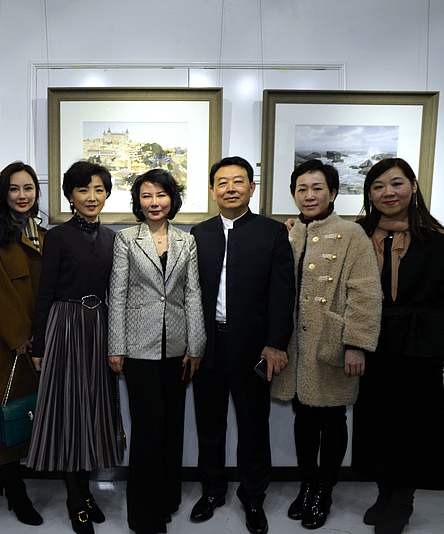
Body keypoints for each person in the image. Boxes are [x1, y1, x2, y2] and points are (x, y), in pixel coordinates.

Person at [270, 159, 382, 530]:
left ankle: (324, 490)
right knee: (303, 417)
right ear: (293, 194)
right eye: (302, 189)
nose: (309, 195)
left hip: (331, 342)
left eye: (317, 188)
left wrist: (356, 344)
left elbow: (365, 293)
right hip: (295, 345)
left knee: (332, 418)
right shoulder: (288, 232)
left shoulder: (351, 235)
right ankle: (307, 484)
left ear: (333, 193)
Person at [351, 158, 444, 534]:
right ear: (370, 194)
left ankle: (403, 498)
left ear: (413, 186)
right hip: (372, 340)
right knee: (376, 422)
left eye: (396, 183)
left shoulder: (438, 239)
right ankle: (384, 491)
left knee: (414, 425)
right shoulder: (359, 235)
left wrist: (433, 333)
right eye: (378, 186)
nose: (388, 193)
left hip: (418, 342)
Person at [189, 156, 295, 534]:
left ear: (252, 188)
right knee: (209, 425)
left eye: (238, 181)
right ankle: (213, 490)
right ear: (213, 190)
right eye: (222, 182)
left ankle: (253, 499)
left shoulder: (271, 232)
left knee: (253, 427)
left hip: (253, 348)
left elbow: (283, 295)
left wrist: (276, 344)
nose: (230, 188)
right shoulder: (197, 234)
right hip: (207, 346)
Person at [107, 169, 206, 534]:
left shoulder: (187, 241)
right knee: (148, 428)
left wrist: (196, 345)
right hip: (137, 347)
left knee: (172, 426)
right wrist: (115, 346)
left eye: (161, 195)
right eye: (146, 196)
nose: (154, 202)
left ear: (172, 199)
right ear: (138, 201)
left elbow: (192, 295)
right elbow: (116, 295)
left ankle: (167, 498)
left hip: (178, 347)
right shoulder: (126, 240)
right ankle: (144, 515)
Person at [27, 161, 120, 534]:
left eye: (98, 189)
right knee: (70, 413)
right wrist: (40, 344)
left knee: (95, 412)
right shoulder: (58, 236)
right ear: (70, 195)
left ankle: (85, 492)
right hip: (65, 327)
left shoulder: (114, 237)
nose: (92, 197)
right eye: (83, 190)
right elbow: (44, 293)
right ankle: (75, 498)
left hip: (100, 328)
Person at [0, 161, 46, 526]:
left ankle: (14, 481)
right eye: (14, 189)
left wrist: (39, 337)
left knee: (23, 413)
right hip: (0, 341)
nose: (21, 195)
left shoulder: (40, 233)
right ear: (3, 193)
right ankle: (14, 489)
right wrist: (18, 337)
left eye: (28, 188)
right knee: (0, 415)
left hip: (33, 340)